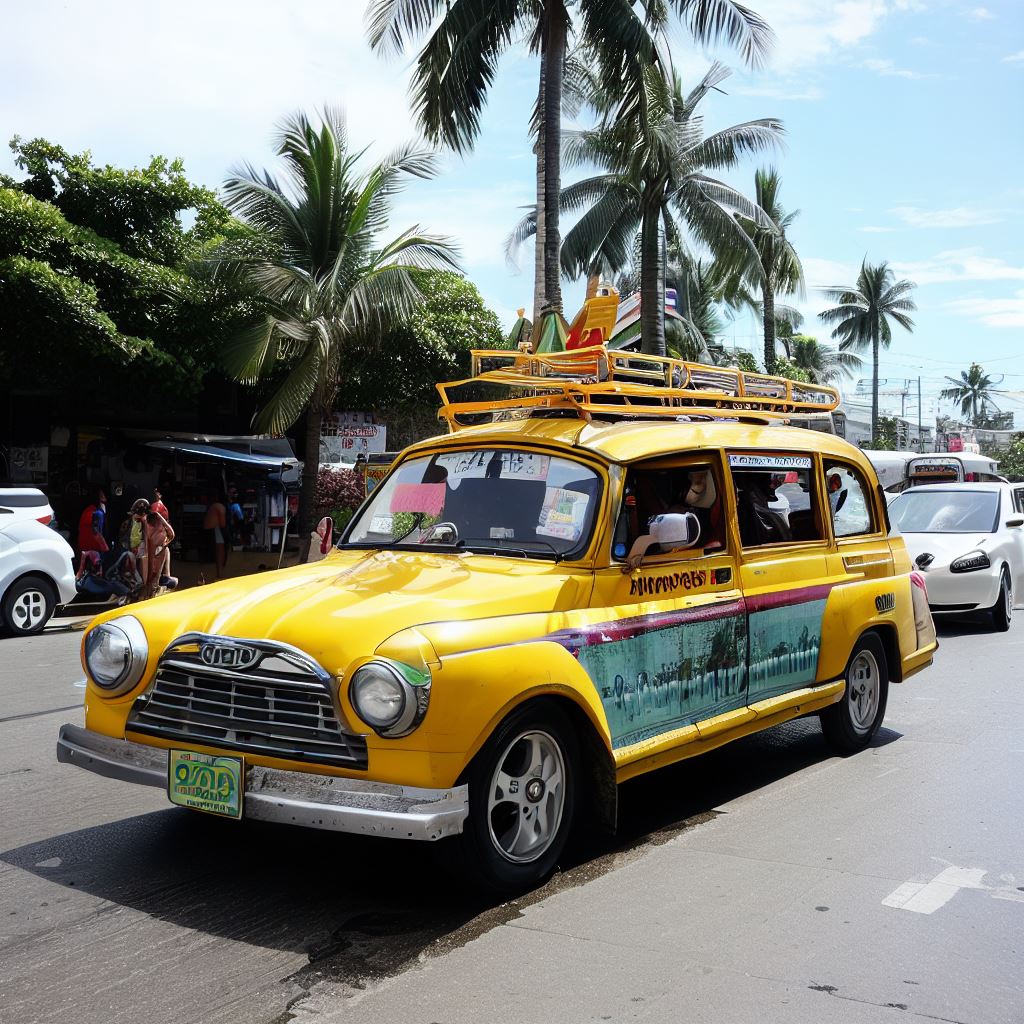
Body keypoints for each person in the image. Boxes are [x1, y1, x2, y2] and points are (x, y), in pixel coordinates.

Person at [144, 510, 178, 597]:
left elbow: (171, 535)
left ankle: (155, 589)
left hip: (156, 576)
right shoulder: (147, 528)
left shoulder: (159, 532)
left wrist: (160, 518)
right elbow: (171, 535)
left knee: (171, 581)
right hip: (147, 561)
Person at [203, 491, 229, 578]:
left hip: (211, 530)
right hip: (215, 529)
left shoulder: (213, 506)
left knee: (219, 551)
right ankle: (219, 573)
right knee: (220, 551)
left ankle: (219, 572)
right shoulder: (219, 506)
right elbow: (223, 524)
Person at [77, 488, 108, 555]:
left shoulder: (87, 510)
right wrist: (105, 548)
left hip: (84, 548)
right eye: (102, 497)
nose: (105, 500)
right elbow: (96, 532)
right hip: (93, 549)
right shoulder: (98, 513)